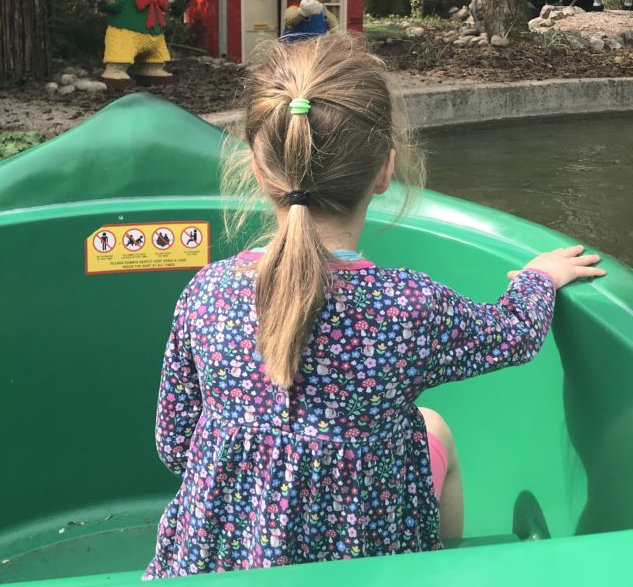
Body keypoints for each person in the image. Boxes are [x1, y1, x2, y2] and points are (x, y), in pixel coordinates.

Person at [145, 35, 605, 579]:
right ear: (385, 170)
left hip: (222, 563)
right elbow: (512, 335)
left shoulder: (207, 294)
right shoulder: (407, 306)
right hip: (368, 550)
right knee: (435, 428)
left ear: (259, 168)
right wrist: (537, 280)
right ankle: (429, 572)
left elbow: (175, 446)